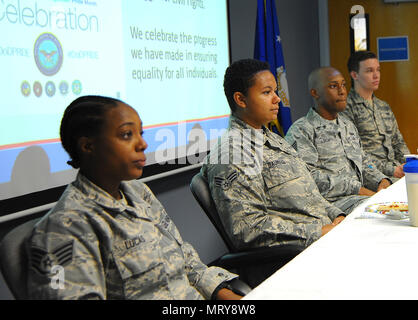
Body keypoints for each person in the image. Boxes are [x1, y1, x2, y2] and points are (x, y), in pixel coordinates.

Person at [25, 95, 241, 300]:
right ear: (87, 146)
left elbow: (184, 258)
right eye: (127, 135)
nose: (142, 144)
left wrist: (229, 296)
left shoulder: (139, 193)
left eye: (141, 133)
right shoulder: (66, 227)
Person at [201, 59, 346, 255]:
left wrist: (338, 216)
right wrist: (319, 232)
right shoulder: (232, 154)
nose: (277, 98)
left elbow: (312, 197)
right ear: (241, 99)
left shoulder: (273, 139)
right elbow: (248, 229)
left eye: (275, 91)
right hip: (298, 254)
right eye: (267, 92)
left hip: (327, 238)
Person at [285, 67, 391, 214]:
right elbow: (308, 178)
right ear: (315, 93)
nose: (342, 91)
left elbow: (363, 161)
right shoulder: (302, 130)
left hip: (359, 197)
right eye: (333, 86)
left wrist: (381, 180)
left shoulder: (347, 125)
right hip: (330, 205)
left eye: (343, 85)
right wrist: (357, 189)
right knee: (384, 212)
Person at [343, 50, 410, 179]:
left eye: (378, 70)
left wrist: (408, 164)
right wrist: (391, 170)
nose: (376, 75)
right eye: (369, 71)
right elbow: (354, 152)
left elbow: (398, 141)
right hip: (372, 177)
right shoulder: (347, 107)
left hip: (397, 171)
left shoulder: (383, 106)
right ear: (354, 75)